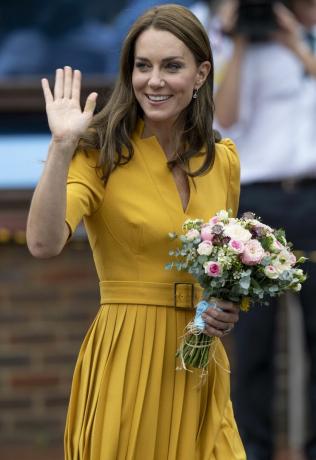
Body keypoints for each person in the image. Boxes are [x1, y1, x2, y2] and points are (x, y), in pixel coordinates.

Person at [26, 4, 246, 459]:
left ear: (201, 73)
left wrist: (225, 305)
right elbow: (43, 243)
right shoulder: (100, 153)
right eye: (142, 66)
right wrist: (62, 145)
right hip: (130, 356)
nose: (155, 81)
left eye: (171, 66)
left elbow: (222, 267)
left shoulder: (222, 159)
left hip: (201, 362)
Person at [213, 1, 316, 459]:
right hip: (259, 203)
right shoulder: (231, 47)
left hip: (312, 195)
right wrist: (237, 39)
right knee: (254, 341)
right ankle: (252, 449)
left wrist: (295, 44)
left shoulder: (303, 43)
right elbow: (226, 117)